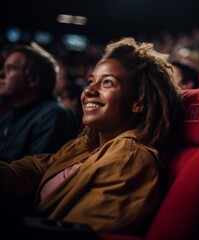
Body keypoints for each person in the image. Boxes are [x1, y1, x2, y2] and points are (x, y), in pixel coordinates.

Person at [0, 37, 183, 234]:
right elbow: (34, 169)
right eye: (90, 81)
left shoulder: (130, 156)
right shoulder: (86, 146)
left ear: (138, 102)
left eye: (107, 83)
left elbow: (79, 233)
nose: (89, 90)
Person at [0, 43, 79, 162]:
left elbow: (36, 173)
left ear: (33, 79)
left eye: (10, 69)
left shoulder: (53, 116)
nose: (1, 74)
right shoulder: (8, 117)